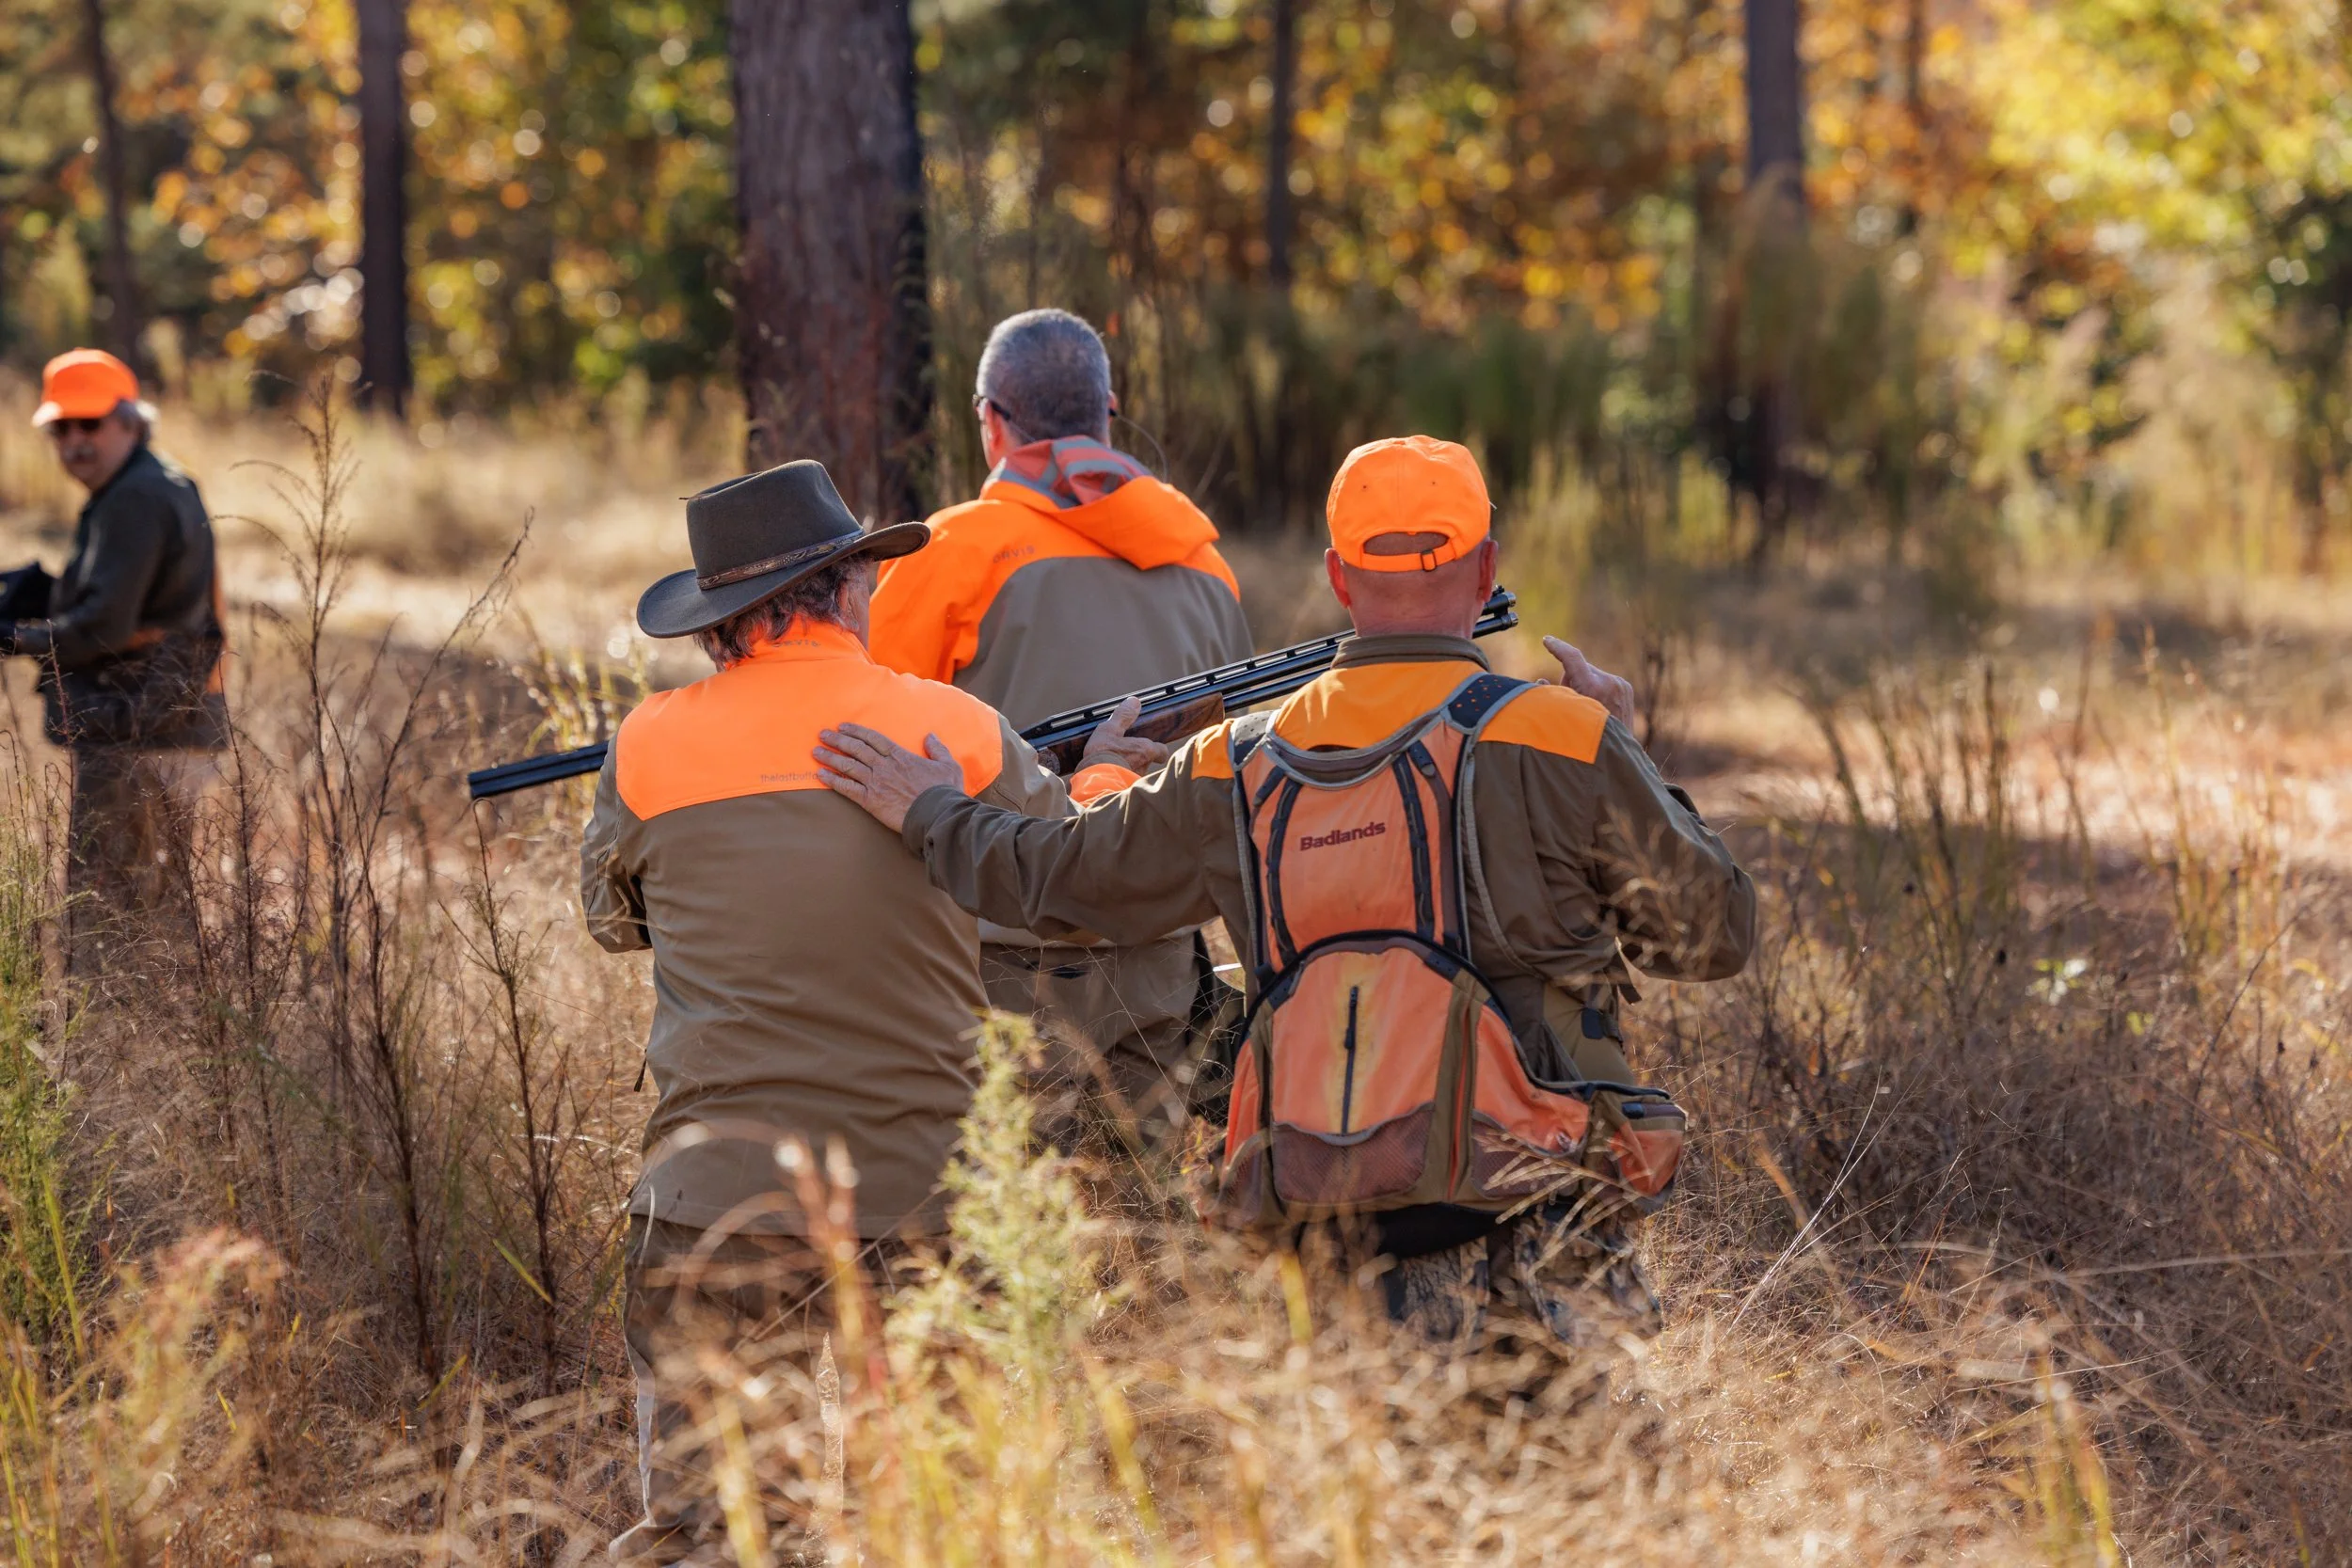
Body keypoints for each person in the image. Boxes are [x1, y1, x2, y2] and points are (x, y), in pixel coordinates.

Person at [816, 436, 1756, 1348]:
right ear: (1486, 570)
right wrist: (1631, 755)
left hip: (1327, 1211)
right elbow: (1710, 937)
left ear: (1338, 577)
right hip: (1543, 1204)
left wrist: (930, 808)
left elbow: (1052, 881)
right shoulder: (1563, 737)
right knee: (1568, 1453)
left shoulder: (1232, 761)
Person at [580, 460, 1152, 1563]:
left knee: (719, 1530)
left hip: (714, 1197)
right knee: (933, 1523)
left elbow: (612, 920)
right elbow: (1072, 897)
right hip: (925, 1191)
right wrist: (1099, 784)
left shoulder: (645, 744)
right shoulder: (955, 728)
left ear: (717, 621)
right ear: (848, 587)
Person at [866, 309, 1255, 1147]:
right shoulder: (1207, 565)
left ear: (991, 420)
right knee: (1142, 1202)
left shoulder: (949, 550)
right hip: (1161, 952)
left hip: (1003, 960)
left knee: (1008, 1201)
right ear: (1107, 411)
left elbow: (864, 733)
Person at [2, 349, 229, 979]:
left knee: (108, 916)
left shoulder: (133, 498)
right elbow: (146, 604)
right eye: (60, 428)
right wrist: (52, 594)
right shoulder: (155, 483)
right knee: (158, 914)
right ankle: (174, 1031)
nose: (74, 440)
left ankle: (113, 1037)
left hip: (139, 732)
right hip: (166, 724)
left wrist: (15, 636)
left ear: (130, 421)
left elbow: (105, 628)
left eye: (89, 423)